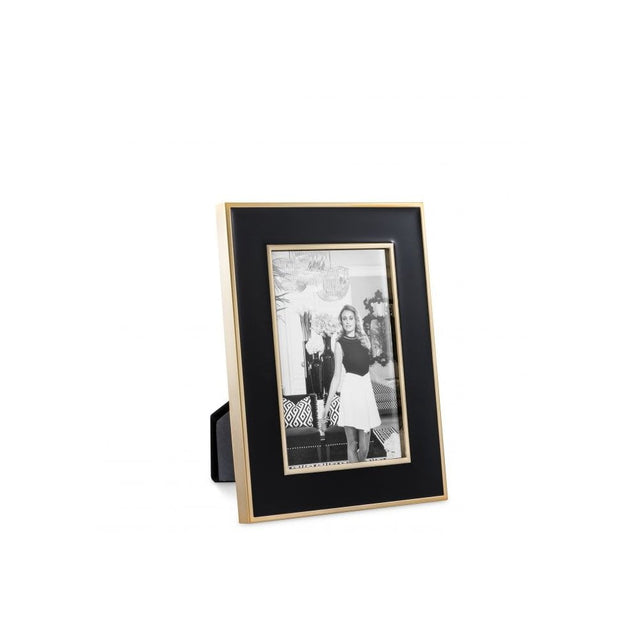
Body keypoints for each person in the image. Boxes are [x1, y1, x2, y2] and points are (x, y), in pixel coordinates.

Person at [322, 305, 381, 463]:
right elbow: (336, 376)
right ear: (341, 322)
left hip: (365, 391)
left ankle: (358, 466)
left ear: (356, 320)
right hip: (350, 392)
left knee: (365, 446)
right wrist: (326, 408)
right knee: (352, 443)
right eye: (344, 319)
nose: (347, 321)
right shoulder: (339, 344)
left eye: (350, 318)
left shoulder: (364, 340)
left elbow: (368, 368)